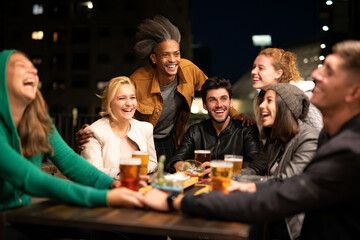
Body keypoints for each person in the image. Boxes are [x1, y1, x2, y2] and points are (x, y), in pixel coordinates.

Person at [139, 40, 360, 239]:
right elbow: (274, 181)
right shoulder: (317, 137)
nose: (316, 74)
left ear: (353, 92)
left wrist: (177, 202)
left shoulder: (348, 149)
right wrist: (246, 185)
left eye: (329, 71)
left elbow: (282, 194)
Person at [0, 50, 145, 237]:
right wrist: (106, 197)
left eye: (34, 68)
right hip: (5, 220)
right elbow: (31, 178)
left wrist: (112, 185)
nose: (34, 71)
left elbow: (70, 162)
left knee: (106, 232)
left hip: (22, 215)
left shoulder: (38, 120)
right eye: (22, 67)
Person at [76, 16, 249, 161]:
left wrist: (235, 114)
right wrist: (94, 133)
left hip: (169, 140)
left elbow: (215, 91)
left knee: (169, 179)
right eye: (166, 55)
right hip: (139, 141)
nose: (173, 59)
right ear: (154, 58)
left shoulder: (189, 70)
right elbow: (120, 107)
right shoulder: (138, 79)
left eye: (177, 53)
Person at [241, 83, 319, 239]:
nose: (262, 105)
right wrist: (223, 173)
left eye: (269, 100)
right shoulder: (274, 139)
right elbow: (255, 168)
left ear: (286, 107)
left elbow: (287, 182)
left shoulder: (309, 139)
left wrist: (245, 185)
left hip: (294, 228)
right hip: (272, 218)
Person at [165, 77, 260, 175]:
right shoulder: (195, 131)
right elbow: (175, 160)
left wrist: (220, 169)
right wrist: (179, 164)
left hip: (233, 186)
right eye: (212, 100)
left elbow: (255, 165)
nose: (219, 104)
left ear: (231, 102)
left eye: (223, 98)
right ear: (205, 105)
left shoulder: (246, 129)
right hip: (201, 188)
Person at [80, 76, 157, 178]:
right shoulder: (94, 131)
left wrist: (137, 171)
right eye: (122, 98)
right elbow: (92, 172)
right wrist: (128, 171)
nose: (129, 103)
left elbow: (152, 163)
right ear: (110, 103)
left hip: (141, 189)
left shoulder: (145, 128)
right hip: (108, 191)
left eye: (132, 97)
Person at [251, 48, 323, 131]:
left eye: (261, 68)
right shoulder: (260, 100)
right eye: (254, 67)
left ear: (278, 73)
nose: (253, 71)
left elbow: (320, 133)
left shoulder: (303, 97)